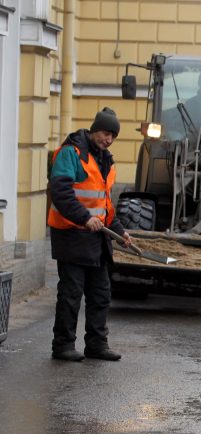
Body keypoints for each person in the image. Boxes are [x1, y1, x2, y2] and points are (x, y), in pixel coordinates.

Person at [48, 107, 132, 362]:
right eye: (106, 132)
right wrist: (85, 218)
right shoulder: (70, 153)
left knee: (100, 295)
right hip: (72, 235)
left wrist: (119, 232)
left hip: (97, 239)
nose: (108, 139)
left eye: (113, 136)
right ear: (95, 129)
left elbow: (105, 205)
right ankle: (62, 345)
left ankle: (97, 345)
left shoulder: (106, 160)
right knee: (71, 295)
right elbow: (61, 193)